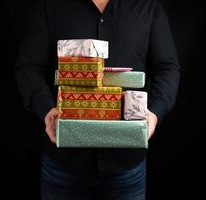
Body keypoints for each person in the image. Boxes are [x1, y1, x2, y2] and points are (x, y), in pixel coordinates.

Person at [15, 0, 180, 199]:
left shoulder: (148, 7)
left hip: (126, 164)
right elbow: (28, 67)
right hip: (63, 162)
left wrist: (154, 113)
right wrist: (47, 110)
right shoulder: (49, 6)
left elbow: (167, 69)